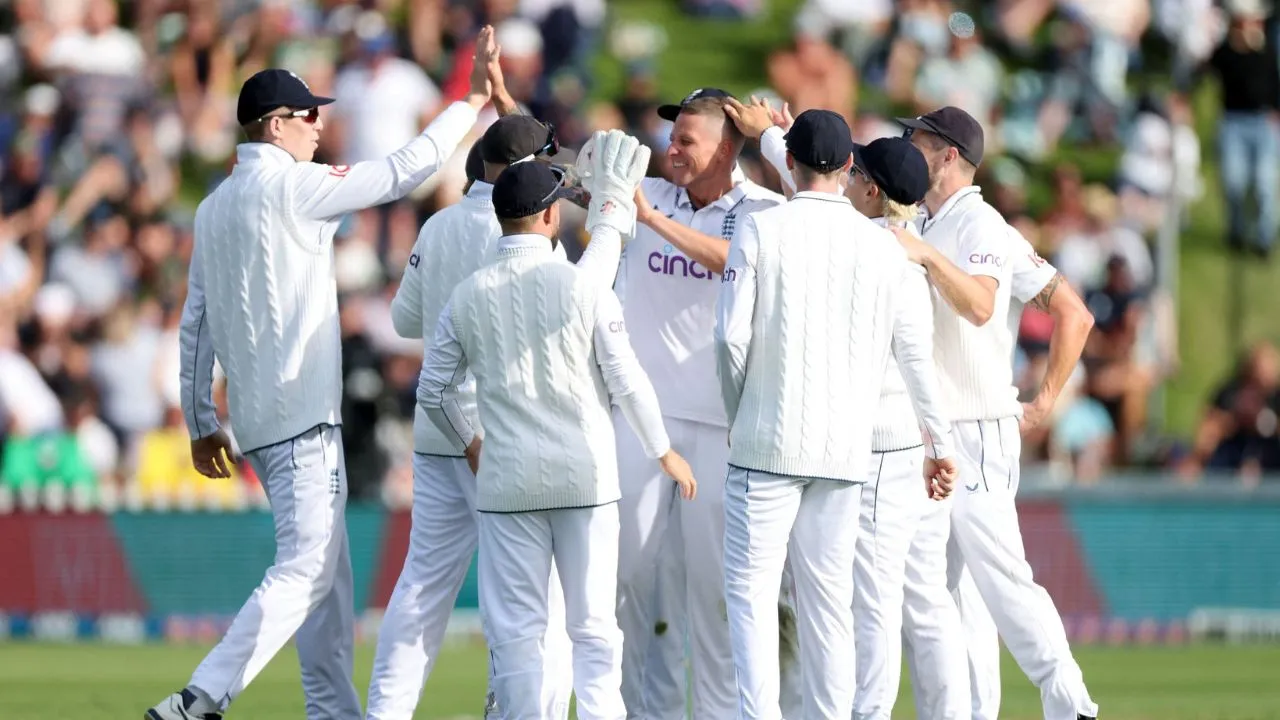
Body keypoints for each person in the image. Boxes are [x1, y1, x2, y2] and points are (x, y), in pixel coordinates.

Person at [149, 26, 503, 720]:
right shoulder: (295, 188)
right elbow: (407, 169)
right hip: (302, 419)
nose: (320, 125)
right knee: (308, 571)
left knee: (328, 587)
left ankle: (333, 714)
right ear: (276, 126)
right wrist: (471, 103)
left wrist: (200, 423)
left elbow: (196, 325)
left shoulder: (213, 206)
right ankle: (200, 697)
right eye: (310, 115)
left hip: (255, 423)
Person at [417, 147, 697, 720]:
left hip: (506, 486)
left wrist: (471, 443)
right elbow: (626, 379)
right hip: (585, 480)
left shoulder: (467, 295)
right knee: (594, 630)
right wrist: (662, 450)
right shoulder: (578, 285)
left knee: (518, 635)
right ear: (548, 218)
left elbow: (434, 391)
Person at [368, 113, 621, 719]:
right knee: (544, 602)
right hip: (512, 436)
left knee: (424, 586)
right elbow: (575, 311)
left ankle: (385, 713)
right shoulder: (533, 229)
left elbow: (405, 322)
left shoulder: (440, 224)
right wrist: (615, 221)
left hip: (441, 431)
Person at [715, 109, 956, 720]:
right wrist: (940, 441)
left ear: (789, 163)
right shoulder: (883, 246)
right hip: (845, 454)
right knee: (829, 607)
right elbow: (913, 353)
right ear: (850, 167)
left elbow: (729, 340)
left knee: (753, 599)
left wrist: (739, 412)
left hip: (765, 445)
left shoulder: (760, 229)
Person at [892, 106, 1098, 720]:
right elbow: (1073, 312)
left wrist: (1044, 401)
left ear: (948, 154)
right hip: (938, 431)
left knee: (1003, 580)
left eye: (918, 140)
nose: (908, 146)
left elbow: (988, 307)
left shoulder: (979, 224)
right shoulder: (933, 219)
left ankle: (1072, 705)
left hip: (976, 429)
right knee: (956, 596)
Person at [611, 87, 784, 719]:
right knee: (628, 579)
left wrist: (653, 222)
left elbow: (732, 259)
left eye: (687, 140)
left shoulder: (764, 210)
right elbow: (556, 166)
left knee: (716, 593)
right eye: (671, 137)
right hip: (640, 424)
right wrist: (500, 101)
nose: (672, 150)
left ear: (728, 146)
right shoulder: (649, 191)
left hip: (720, 429)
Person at [842, 137, 970, 720]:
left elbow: (916, 359)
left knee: (873, 605)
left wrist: (940, 447)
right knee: (923, 602)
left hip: (883, 451)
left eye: (854, 174)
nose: (842, 180)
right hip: (909, 449)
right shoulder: (893, 246)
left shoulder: (875, 251)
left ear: (873, 190)